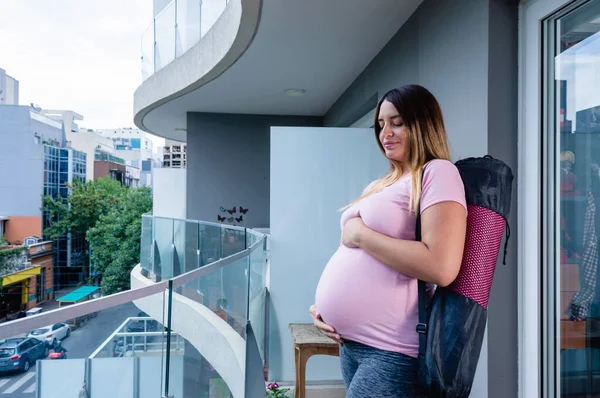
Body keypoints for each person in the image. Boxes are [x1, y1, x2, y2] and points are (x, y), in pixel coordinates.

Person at [310, 85, 467, 397]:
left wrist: (361, 235)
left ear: (423, 124)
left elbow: (441, 266)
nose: (386, 133)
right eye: (381, 125)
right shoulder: (384, 182)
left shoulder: (438, 172)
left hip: (389, 350)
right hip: (352, 346)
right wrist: (322, 308)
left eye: (397, 122)